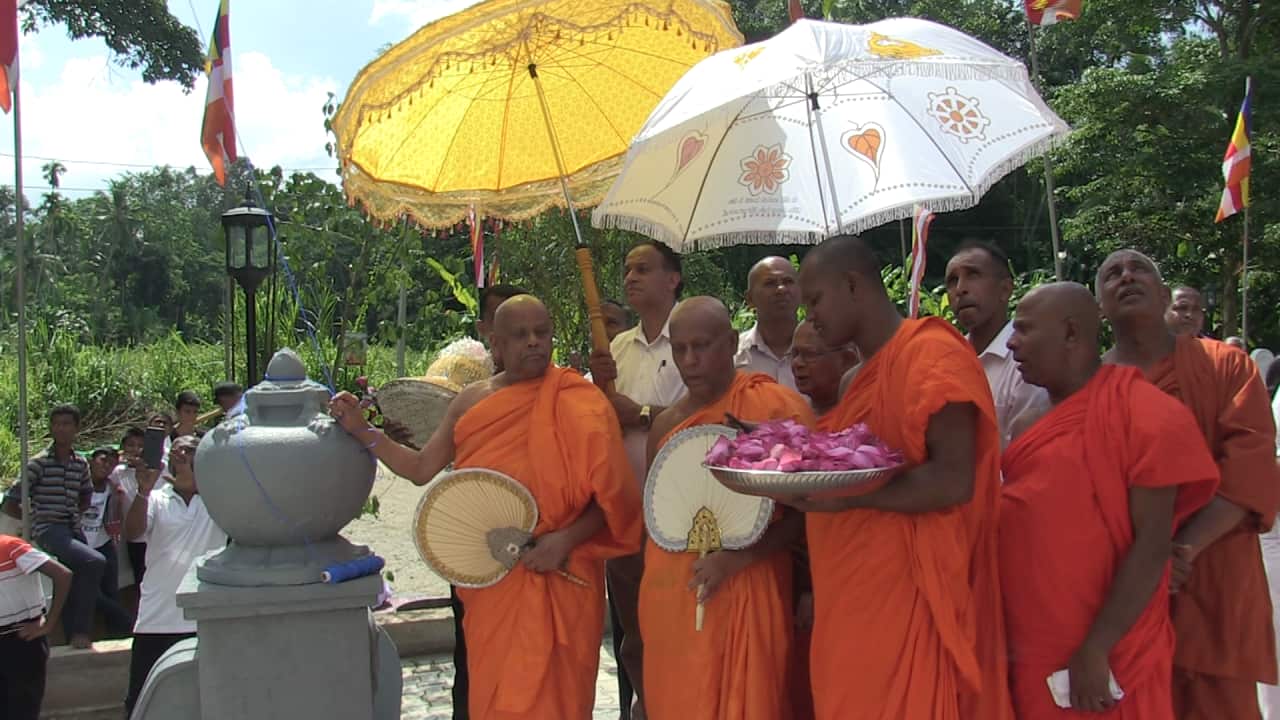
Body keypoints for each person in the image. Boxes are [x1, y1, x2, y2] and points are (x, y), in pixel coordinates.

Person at [331, 295, 641, 719]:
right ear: (495, 345)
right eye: (519, 335)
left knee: (563, 697)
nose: (533, 342)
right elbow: (422, 469)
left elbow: (613, 499)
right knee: (500, 695)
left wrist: (564, 539)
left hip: (567, 570)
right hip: (493, 574)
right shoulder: (472, 402)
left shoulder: (580, 399)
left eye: (541, 332)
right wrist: (363, 431)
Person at [792, 234, 1013, 720]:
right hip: (849, 598)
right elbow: (842, 464)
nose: (809, 316)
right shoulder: (855, 380)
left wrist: (847, 501)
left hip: (910, 598)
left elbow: (954, 480)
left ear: (852, 285)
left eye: (814, 300)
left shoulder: (933, 354)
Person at [1001, 282, 1219, 718]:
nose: (1011, 342)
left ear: (1071, 333)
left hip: (1110, 648)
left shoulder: (1145, 413)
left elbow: (1152, 544)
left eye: (1024, 330)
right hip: (1033, 643)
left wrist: (1097, 647)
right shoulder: (1026, 424)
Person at [1097, 249, 1280, 719]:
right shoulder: (1089, 386)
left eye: (1140, 268)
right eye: (1112, 273)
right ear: (1100, 304)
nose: (1126, 276)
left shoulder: (1224, 367)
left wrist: (1180, 551)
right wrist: (1147, 564)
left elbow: (1251, 470)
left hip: (1213, 571)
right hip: (1123, 587)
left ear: (1164, 295)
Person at [641, 297, 815, 720]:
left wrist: (740, 559)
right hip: (674, 591)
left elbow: (808, 513)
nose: (690, 360)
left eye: (701, 346)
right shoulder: (665, 426)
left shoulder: (773, 408)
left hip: (750, 580)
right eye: (679, 349)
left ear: (732, 342)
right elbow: (657, 511)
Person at [589, 239, 688, 720]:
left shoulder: (697, 336)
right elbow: (602, 425)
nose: (630, 277)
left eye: (644, 269)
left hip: (684, 515)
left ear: (673, 279)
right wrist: (597, 392)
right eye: (627, 269)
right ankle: (645, 706)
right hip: (626, 512)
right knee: (634, 634)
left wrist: (643, 413)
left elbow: (713, 412)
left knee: (680, 625)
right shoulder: (616, 350)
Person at [124, 435, 227, 716]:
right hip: (156, 620)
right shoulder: (155, 499)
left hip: (204, 618)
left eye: (190, 451)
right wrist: (142, 492)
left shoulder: (221, 502)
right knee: (141, 701)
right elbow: (132, 533)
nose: (180, 454)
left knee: (206, 700)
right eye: (177, 450)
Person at [1, 404, 101, 649]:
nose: (61, 429)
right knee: (94, 562)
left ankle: (73, 634)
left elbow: (86, 495)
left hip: (72, 528)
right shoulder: (38, 463)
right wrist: (34, 523)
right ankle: (79, 631)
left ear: (76, 428)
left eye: (67, 424)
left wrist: (74, 513)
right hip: (49, 528)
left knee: (82, 576)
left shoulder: (80, 463)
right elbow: (10, 502)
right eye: (57, 424)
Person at [944, 240, 1050, 449]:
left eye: (973, 275)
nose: (960, 289)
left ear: (1005, 290)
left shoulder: (1027, 361)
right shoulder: (946, 361)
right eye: (952, 280)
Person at [0, 533, 71, 720]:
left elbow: (62, 574)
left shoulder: (10, 546)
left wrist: (48, 624)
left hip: (21, 640)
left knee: (21, 710)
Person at [82, 447, 133, 636]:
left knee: (111, 590)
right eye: (103, 460)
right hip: (81, 545)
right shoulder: (79, 484)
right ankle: (126, 620)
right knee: (88, 593)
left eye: (112, 463)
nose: (106, 466)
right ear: (91, 460)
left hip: (103, 543)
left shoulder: (112, 489)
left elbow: (114, 519)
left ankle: (117, 634)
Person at [735, 257, 801, 391]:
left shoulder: (825, 352)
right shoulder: (734, 357)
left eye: (788, 282)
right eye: (770, 283)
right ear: (750, 299)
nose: (781, 289)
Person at [790, 320, 860, 418]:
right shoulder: (792, 418)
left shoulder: (863, 414)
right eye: (795, 354)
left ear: (847, 360)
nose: (796, 363)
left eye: (810, 354)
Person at [110, 427, 151, 588]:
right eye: (131, 445)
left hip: (155, 533)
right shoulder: (117, 472)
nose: (136, 450)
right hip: (133, 535)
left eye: (140, 445)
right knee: (139, 579)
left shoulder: (154, 471)